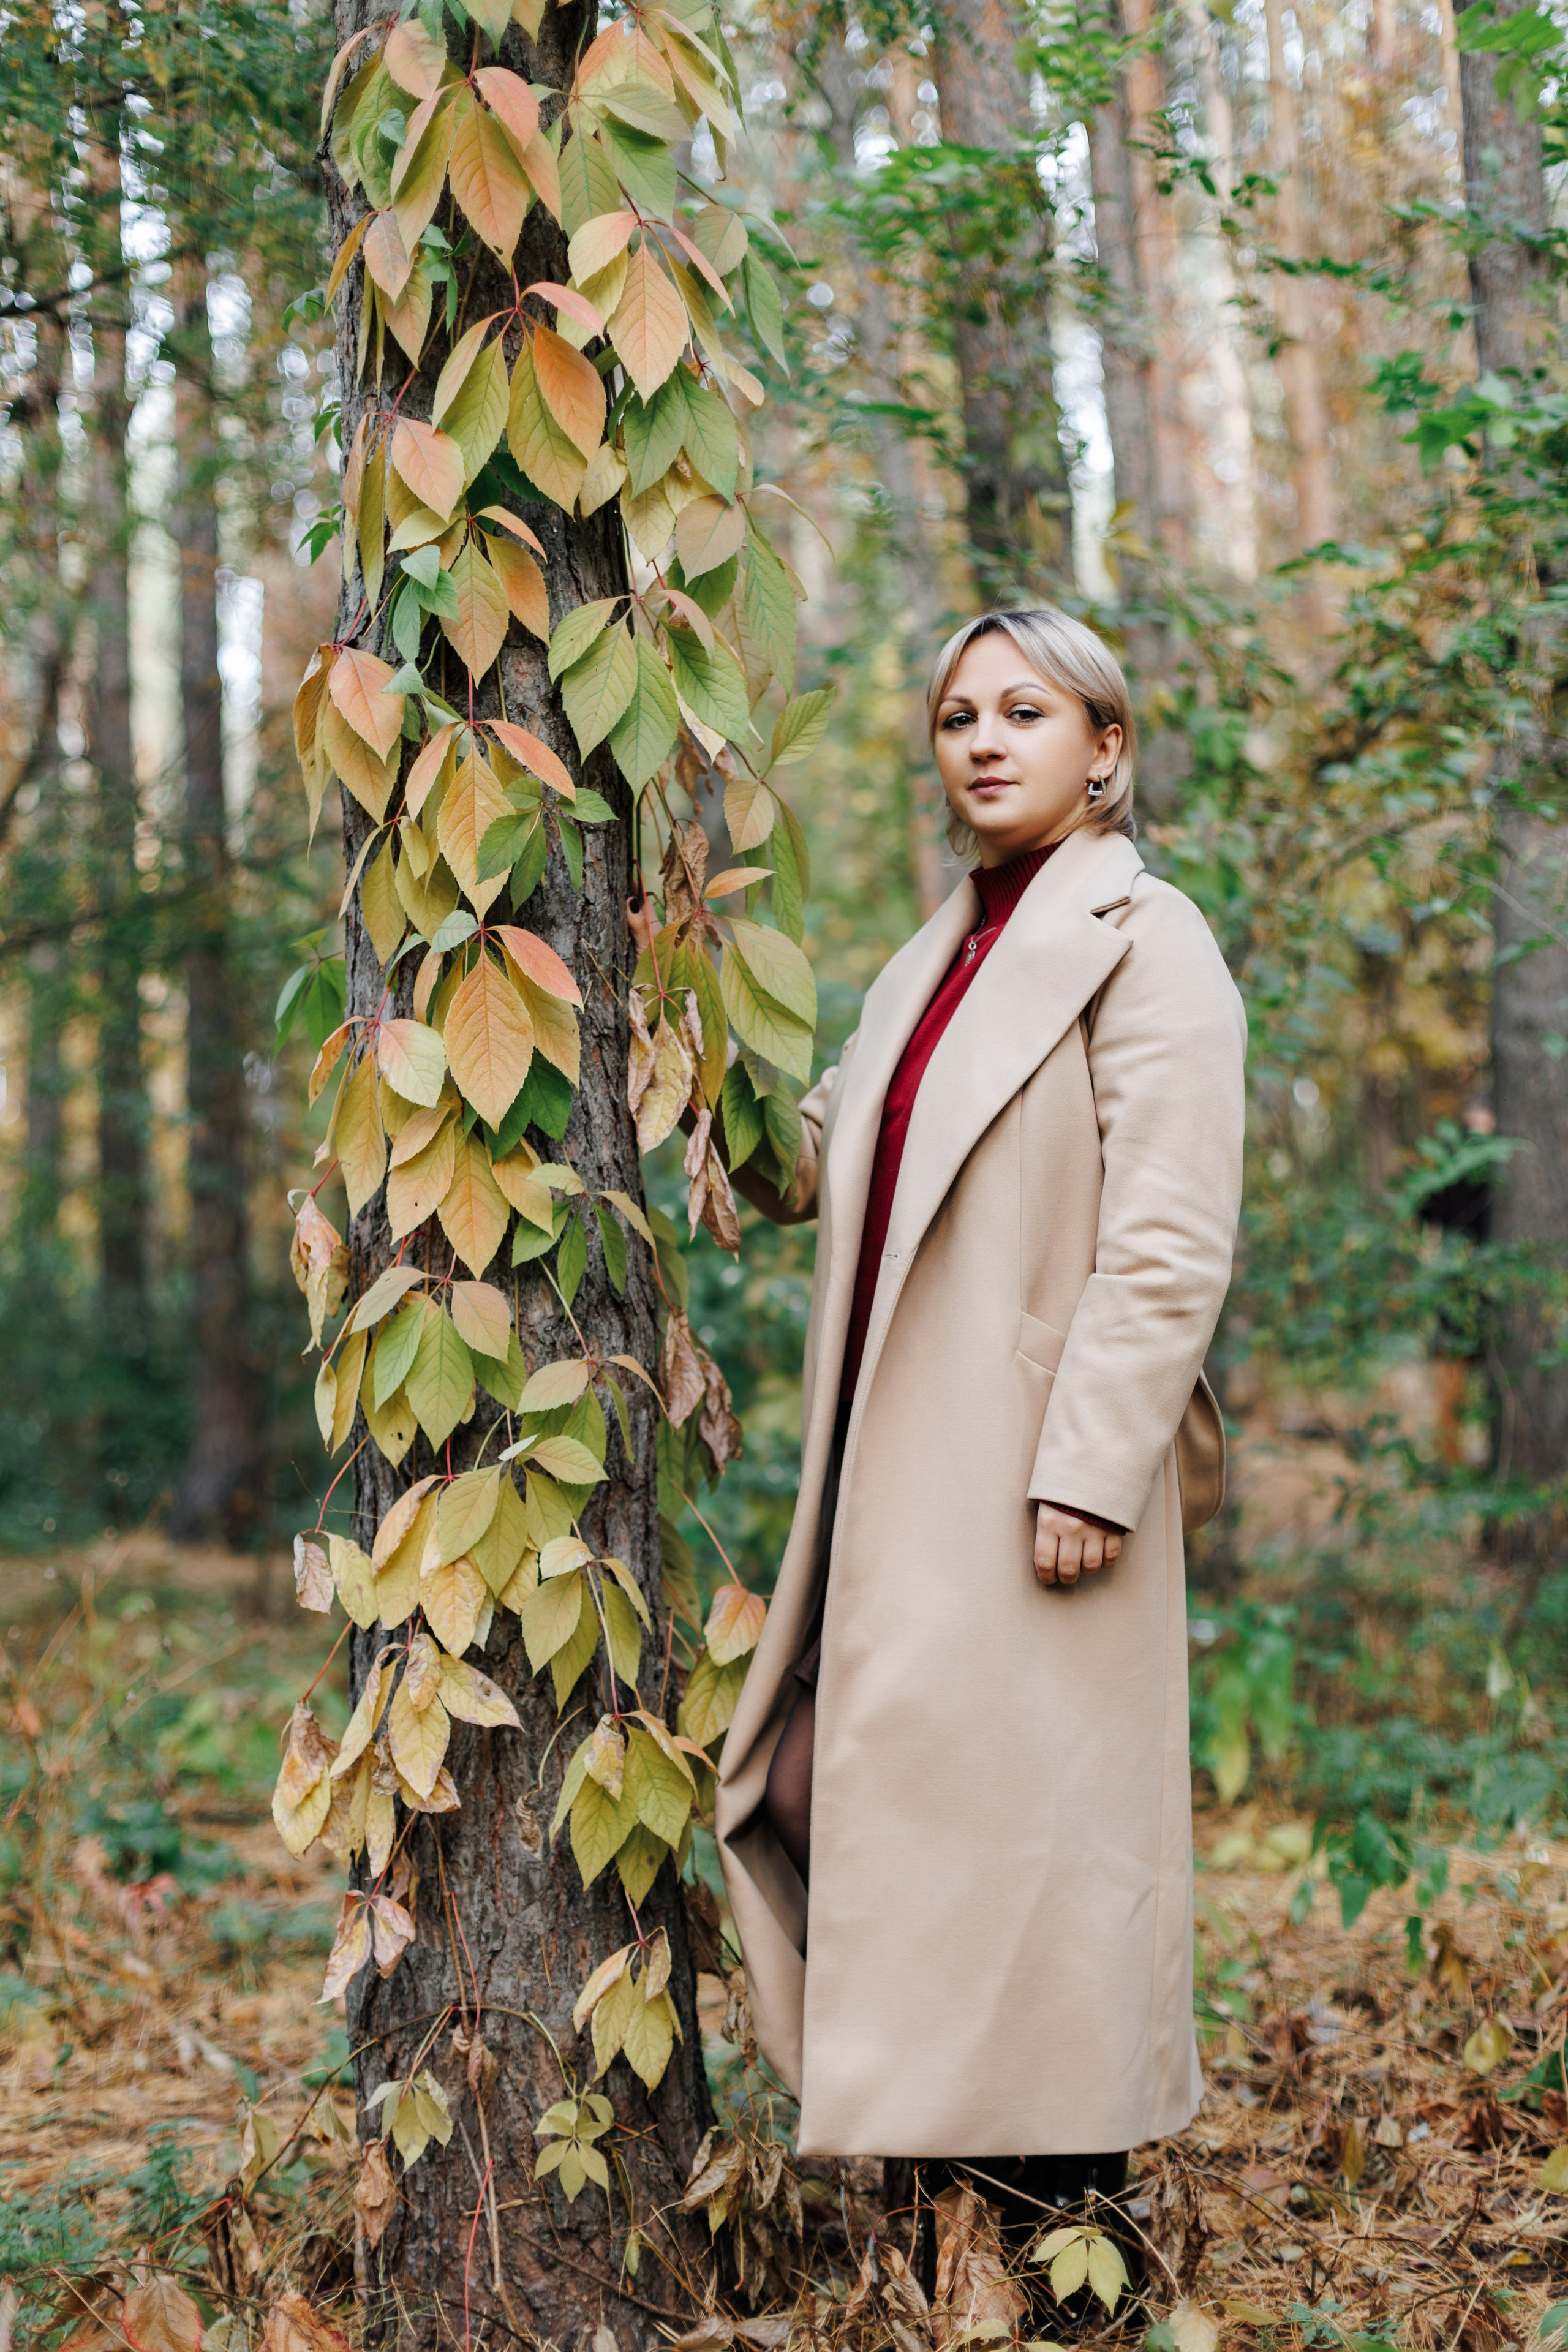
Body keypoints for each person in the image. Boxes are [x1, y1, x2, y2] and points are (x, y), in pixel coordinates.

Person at [690, 608, 1246, 2242]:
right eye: (955, 717)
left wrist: (1091, 1464)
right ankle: (954, 2211)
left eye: (1026, 710)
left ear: (1106, 748)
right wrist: (687, 1024)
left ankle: (1072, 2244)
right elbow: (821, 1164)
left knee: (1025, 1849)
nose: (985, 740)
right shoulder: (931, 957)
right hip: (893, 1467)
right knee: (838, 1794)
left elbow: (1169, 1240)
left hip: (1029, 1469)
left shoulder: (1151, 941)